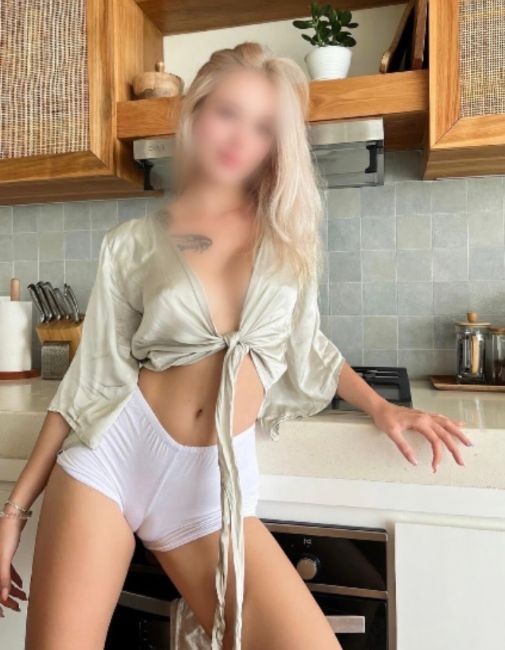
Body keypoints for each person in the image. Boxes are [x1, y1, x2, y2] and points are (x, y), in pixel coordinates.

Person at [0, 42, 471, 650]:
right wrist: (14, 512)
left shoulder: (289, 242)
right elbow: (87, 382)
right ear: (196, 115)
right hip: (113, 453)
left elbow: (308, 344)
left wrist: (381, 406)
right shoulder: (132, 243)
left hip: (209, 486)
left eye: (263, 125)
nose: (240, 137)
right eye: (228, 113)